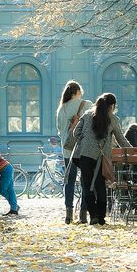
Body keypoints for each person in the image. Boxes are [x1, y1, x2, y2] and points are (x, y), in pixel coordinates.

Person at [70, 92, 130, 225]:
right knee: (100, 186)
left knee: (87, 186)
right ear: (112, 105)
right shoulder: (113, 119)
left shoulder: (87, 115)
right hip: (101, 157)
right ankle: (101, 218)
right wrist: (134, 150)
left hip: (85, 155)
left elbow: (76, 133)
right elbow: (121, 140)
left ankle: (93, 217)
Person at [56, 81, 92, 224]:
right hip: (84, 149)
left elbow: (59, 130)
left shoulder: (61, 109)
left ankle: (68, 214)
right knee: (85, 181)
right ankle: (83, 214)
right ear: (77, 92)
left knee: (69, 181)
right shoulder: (87, 104)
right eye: (80, 91)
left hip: (67, 149)